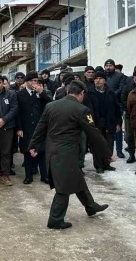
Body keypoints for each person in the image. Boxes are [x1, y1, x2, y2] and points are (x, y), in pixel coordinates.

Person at [28, 80, 111, 230]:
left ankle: (91, 206)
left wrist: (33, 145)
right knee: (64, 186)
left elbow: (40, 128)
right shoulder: (82, 109)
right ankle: (55, 219)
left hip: (52, 150)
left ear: (67, 92)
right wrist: (107, 154)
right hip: (66, 153)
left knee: (76, 177)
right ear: (81, 94)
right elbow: (94, 134)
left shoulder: (51, 106)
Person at [16, 71, 52, 184]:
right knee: (28, 152)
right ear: (26, 82)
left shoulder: (42, 93)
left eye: (36, 81)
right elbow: (17, 113)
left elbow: (51, 105)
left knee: (42, 152)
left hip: (40, 127)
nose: (34, 83)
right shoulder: (20, 94)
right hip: (26, 127)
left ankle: (44, 175)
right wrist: (19, 128)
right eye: (32, 81)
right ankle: (28, 176)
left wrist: (42, 93)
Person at [87, 70, 121, 174]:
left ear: (105, 81)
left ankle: (107, 164)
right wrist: (90, 123)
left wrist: (118, 122)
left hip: (109, 122)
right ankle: (98, 165)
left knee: (109, 144)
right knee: (97, 145)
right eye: (96, 79)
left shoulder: (110, 92)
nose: (97, 80)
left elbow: (116, 108)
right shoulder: (90, 93)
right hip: (96, 123)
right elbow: (87, 110)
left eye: (100, 78)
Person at [121, 68, 136, 164]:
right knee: (130, 136)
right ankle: (131, 154)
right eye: (135, 75)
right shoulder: (128, 86)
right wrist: (128, 109)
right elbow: (123, 98)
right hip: (130, 115)